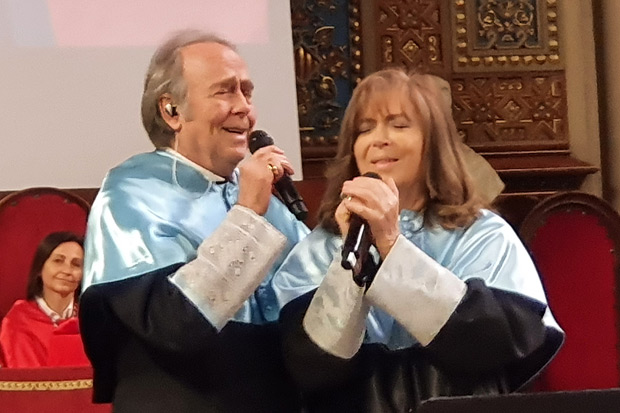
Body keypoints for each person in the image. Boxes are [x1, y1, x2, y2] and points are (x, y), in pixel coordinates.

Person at [272, 68, 564, 412]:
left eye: (399, 125)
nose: (379, 139)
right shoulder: (322, 246)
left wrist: (392, 246)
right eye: (365, 129)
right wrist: (352, 269)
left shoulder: (482, 234)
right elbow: (311, 368)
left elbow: (500, 343)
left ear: (433, 144)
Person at [79, 30, 309, 412]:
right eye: (224, 91)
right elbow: (176, 325)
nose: (244, 108)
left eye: (247, 92)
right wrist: (249, 215)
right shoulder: (132, 193)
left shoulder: (262, 194)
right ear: (171, 111)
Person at [0, 231, 87, 368]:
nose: (67, 271)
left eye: (76, 264)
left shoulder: (90, 320)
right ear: (40, 268)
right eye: (58, 261)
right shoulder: (17, 321)